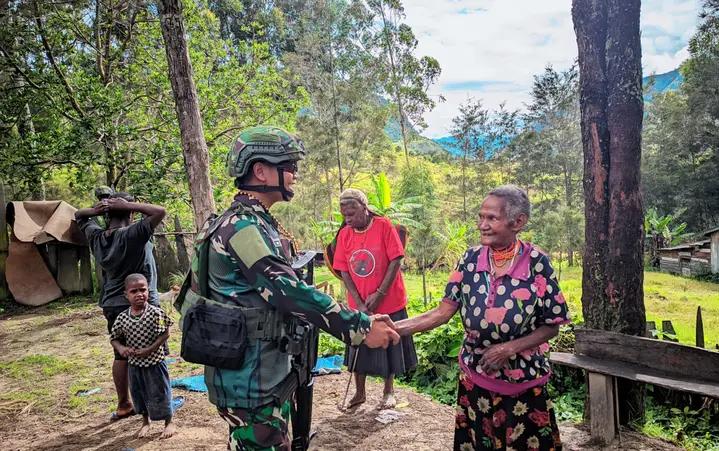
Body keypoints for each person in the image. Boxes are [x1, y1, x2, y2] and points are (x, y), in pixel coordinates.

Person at [185, 125, 399, 451]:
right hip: (249, 379)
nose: (295, 176)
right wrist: (360, 326)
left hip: (256, 372)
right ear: (260, 171)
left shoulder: (250, 222)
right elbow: (287, 291)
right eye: (289, 167)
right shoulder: (241, 227)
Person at [393, 185, 570, 451]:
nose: (482, 225)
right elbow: (442, 312)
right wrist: (391, 328)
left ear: (518, 222)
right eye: (481, 217)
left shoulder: (537, 262)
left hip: (523, 384)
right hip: (476, 380)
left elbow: (552, 324)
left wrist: (507, 349)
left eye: (491, 218)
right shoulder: (470, 259)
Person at [75, 193, 166, 422]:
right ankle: (157, 405)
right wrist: (127, 204)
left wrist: (98, 211)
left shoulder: (96, 236)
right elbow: (160, 211)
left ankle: (125, 404)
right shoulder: (133, 233)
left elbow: (78, 215)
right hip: (145, 306)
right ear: (132, 212)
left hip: (113, 305)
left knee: (121, 355)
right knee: (154, 355)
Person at [333, 188, 417, 409]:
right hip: (359, 304)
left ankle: (389, 391)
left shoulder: (383, 225)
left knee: (389, 346)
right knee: (358, 346)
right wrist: (359, 302)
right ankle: (359, 393)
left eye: (352, 214)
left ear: (364, 207)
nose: (348, 220)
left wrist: (379, 293)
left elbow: (396, 260)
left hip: (388, 300)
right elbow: (343, 270)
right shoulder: (345, 234)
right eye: (344, 216)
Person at [110, 273, 177, 439]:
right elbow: (114, 338)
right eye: (134, 291)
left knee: (160, 391)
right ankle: (145, 421)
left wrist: (150, 349)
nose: (139, 294)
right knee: (139, 393)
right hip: (135, 365)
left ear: (148, 291)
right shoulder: (123, 318)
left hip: (155, 362)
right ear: (126, 295)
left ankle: (169, 421)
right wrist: (121, 348)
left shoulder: (155, 313)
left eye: (143, 289)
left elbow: (166, 333)